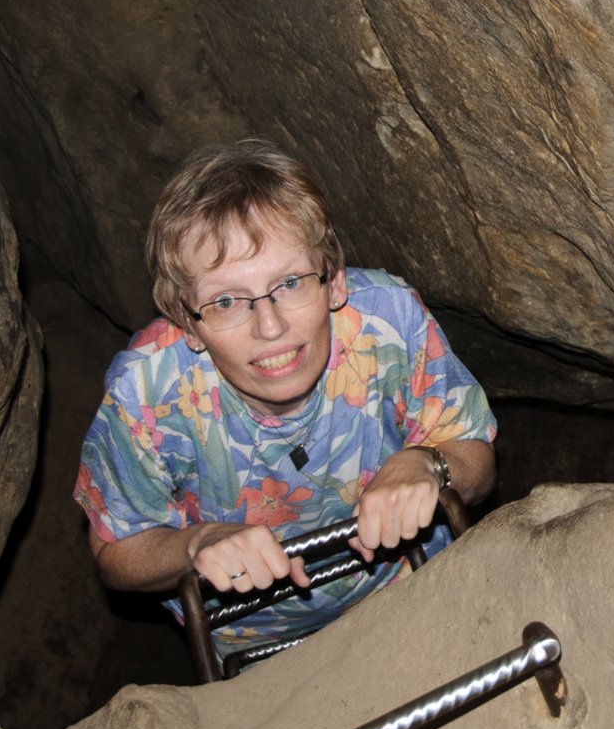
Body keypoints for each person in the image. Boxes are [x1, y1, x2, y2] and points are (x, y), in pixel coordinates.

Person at [71, 138, 496, 656]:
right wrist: (195, 543)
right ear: (188, 322)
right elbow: (115, 553)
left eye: (291, 282)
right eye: (226, 301)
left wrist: (427, 463)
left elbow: (476, 459)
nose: (269, 326)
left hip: (411, 584)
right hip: (257, 639)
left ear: (334, 280)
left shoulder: (389, 319)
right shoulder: (146, 392)